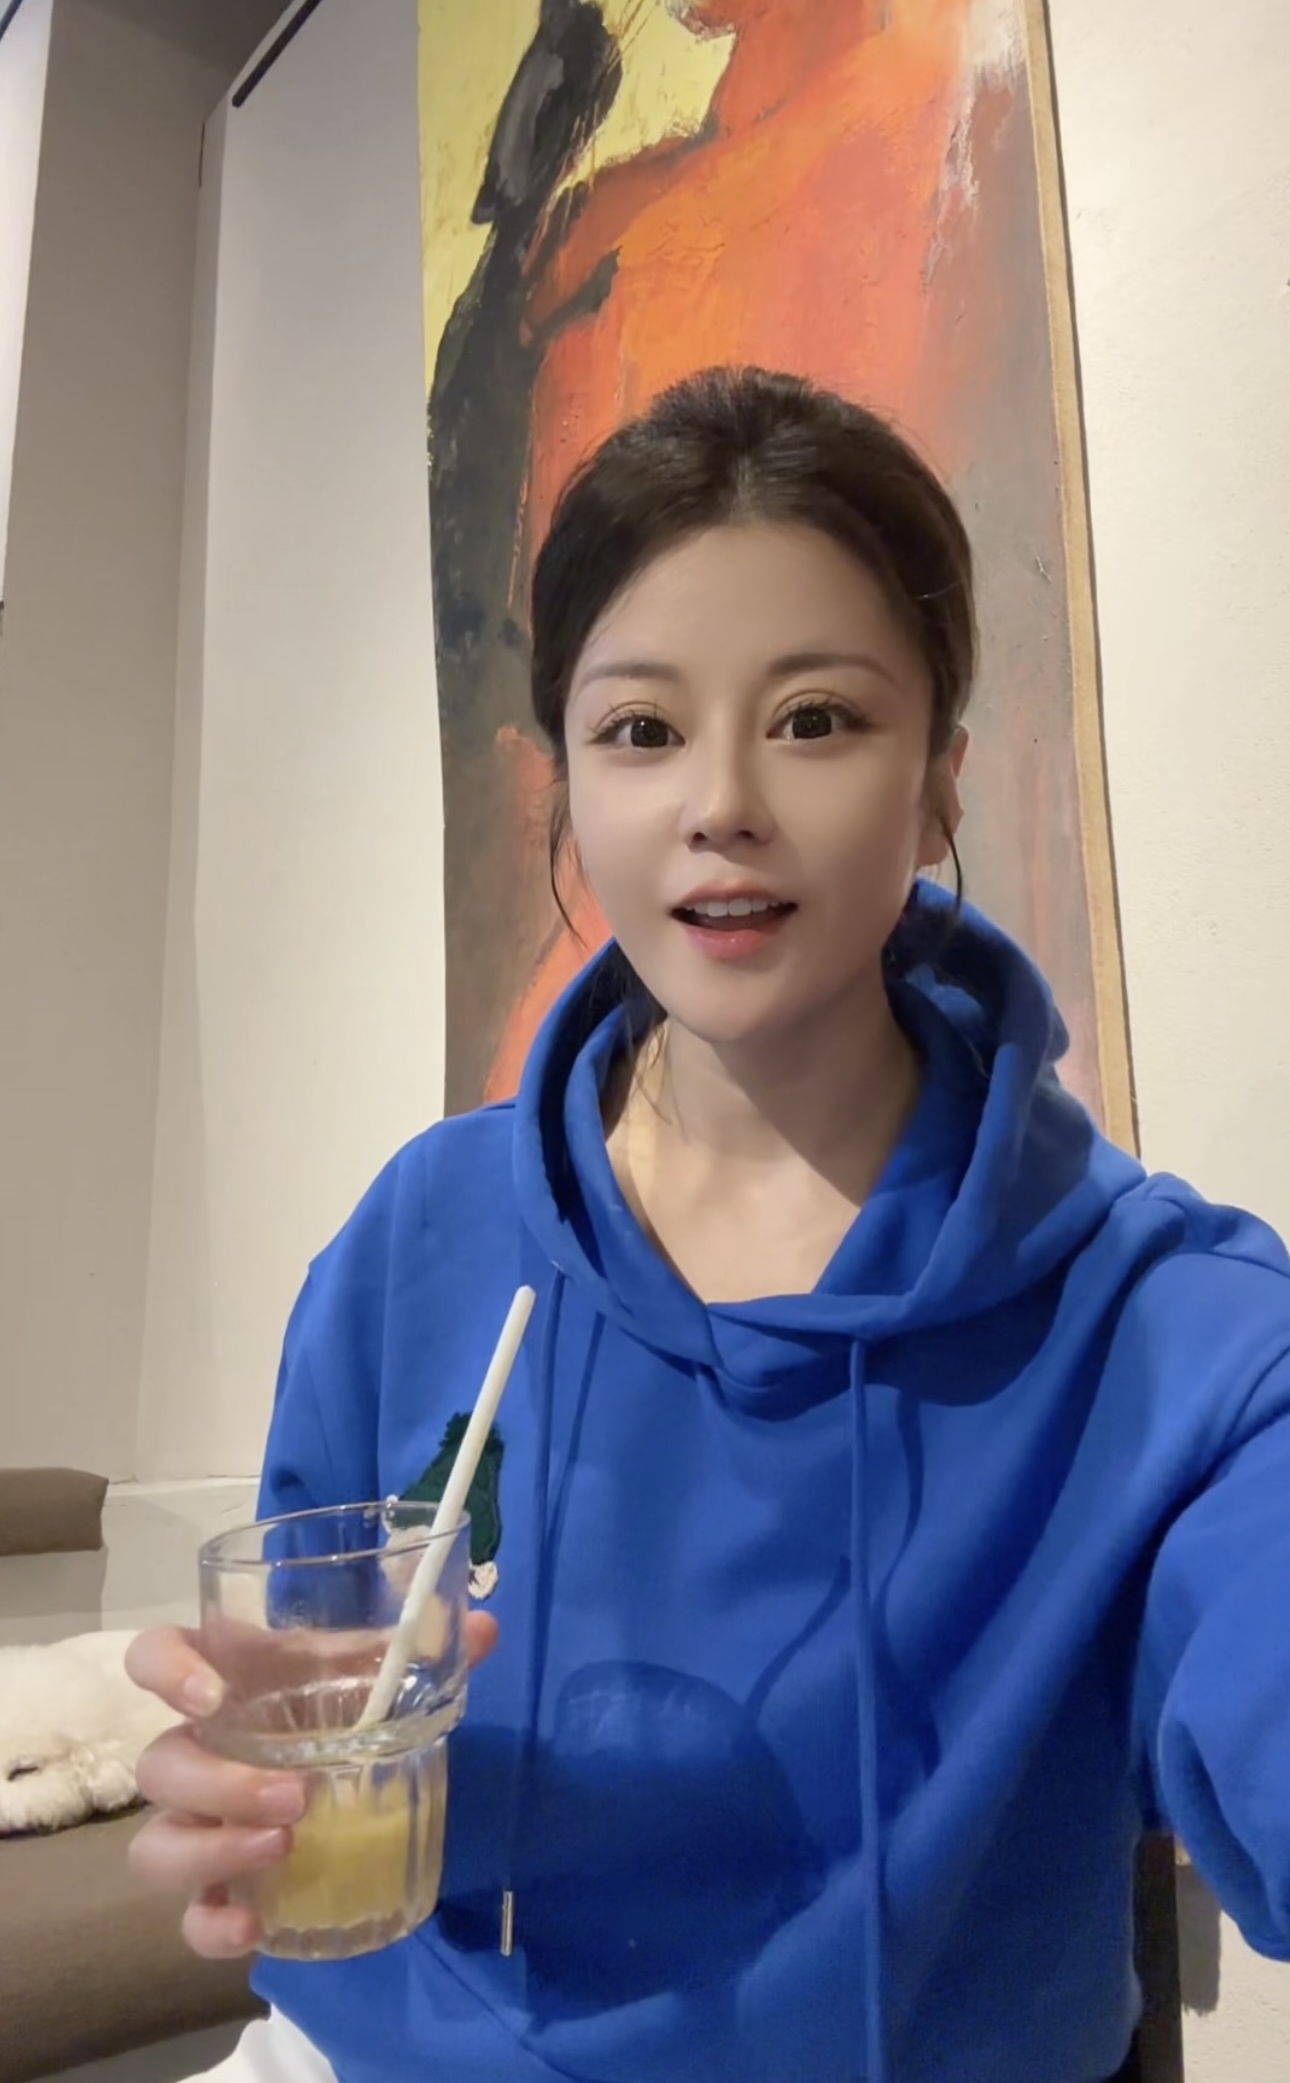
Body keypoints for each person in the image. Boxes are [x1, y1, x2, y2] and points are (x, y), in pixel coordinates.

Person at [127, 367, 1290, 2083]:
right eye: (641, 730)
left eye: (815, 718)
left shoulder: (1165, 1328)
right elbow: (309, 1696)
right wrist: (250, 1793)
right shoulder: (416, 1243)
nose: (720, 799)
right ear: (567, 783)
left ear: (939, 778)